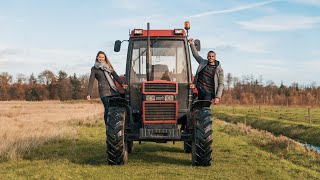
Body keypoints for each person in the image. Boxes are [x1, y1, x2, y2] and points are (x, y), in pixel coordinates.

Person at [87, 51, 127, 125]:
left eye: (102, 57)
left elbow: (115, 76)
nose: (101, 58)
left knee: (116, 107)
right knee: (108, 108)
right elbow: (91, 81)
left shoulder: (108, 66)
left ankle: (116, 124)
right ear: (97, 58)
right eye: (99, 57)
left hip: (113, 90)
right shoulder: (94, 68)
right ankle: (108, 126)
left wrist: (122, 84)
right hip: (104, 91)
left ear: (105, 58)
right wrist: (89, 93)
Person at [188, 38, 224, 105]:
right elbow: (196, 55)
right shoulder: (203, 63)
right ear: (207, 57)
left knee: (205, 108)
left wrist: (218, 97)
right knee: (196, 108)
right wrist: (191, 44)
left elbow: (221, 84)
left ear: (215, 57)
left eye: (212, 56)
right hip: (199, 90)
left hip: (209, 93)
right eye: (209, 56)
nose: (211, 57)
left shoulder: (219, 70)